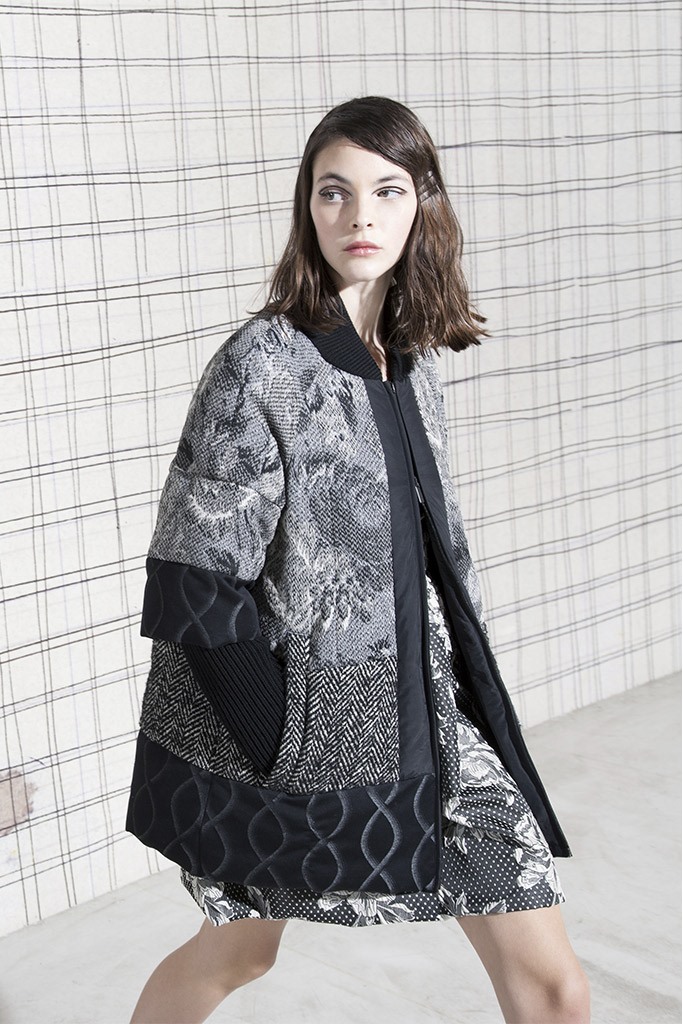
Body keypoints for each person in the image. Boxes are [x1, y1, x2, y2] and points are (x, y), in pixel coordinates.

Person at [127, 96, 590, 1024]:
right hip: (290, 731)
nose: (359, 216)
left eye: (386, 190)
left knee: (552, 986)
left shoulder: (410, 358)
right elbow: (194, 581)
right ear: (308, 208)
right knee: (238, 954)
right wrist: (279, 743)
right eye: (332, 192)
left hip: (432, 717)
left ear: (423, 204)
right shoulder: (259, 365)